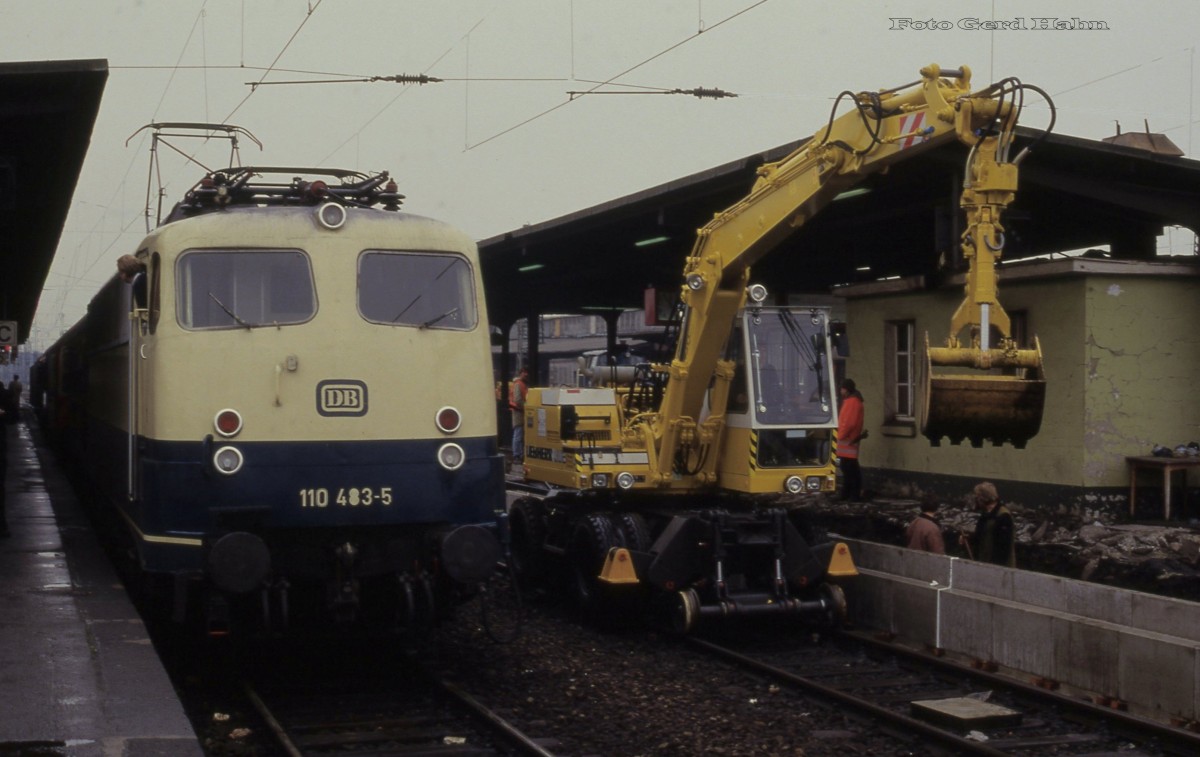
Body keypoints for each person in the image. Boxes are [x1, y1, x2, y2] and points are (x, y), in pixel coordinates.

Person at [961, 481, 1016, 567]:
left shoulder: (1003, 517)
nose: (976, 500)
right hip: (985, 563)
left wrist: (993, 569)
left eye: (977, 497)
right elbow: (982, 535)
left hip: (997, 568)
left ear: (982, 499)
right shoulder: (986, 514)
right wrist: (969, 538)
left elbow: (1003, 549)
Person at [836, 377, 866, 501]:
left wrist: (839, 436)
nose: (840, 391)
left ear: (846, 389)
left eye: (842, 389)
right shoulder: (853, 401)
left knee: (849, 470)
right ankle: (849, 494)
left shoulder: (851, 402)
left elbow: (848, 423)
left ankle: (852, 495)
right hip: (850, 440)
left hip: (847, 441)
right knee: (848, 468)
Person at [509, 367, 529, 462]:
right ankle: (517, 455)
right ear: (520, 373)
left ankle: (519, 454)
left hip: (520, 412)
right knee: (518, 435)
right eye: (524, 372)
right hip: (519, 413)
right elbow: (517, 400)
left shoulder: (521, 384)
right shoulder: (519, 384)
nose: (526, 374)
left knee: (519, 435)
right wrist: (527, 407)